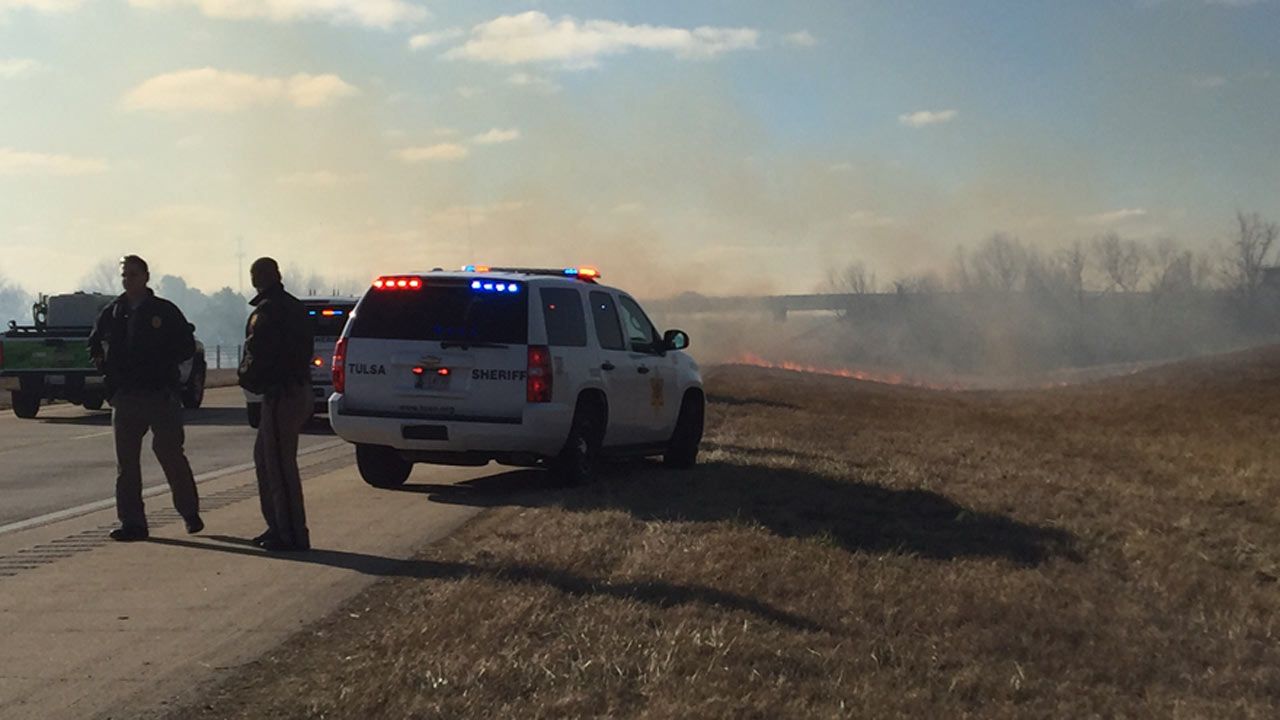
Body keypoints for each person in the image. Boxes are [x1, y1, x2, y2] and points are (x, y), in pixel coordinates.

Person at [88, 255, 203, 541]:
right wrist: (108, 377)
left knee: (170, 454)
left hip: (160, 395)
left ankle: (189, 512)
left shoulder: (163, 311)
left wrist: (165, 368)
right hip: (125, 397)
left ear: (146, 277)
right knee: (126, 465)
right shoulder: (113, 312)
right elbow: (94, 344)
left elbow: (186, 345)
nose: (128, 280)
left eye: (133, 274)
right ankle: (132, 523)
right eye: (125, 275)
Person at [239, 257, 314, 552]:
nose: (256, 277)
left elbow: (258, 353)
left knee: (279, 466)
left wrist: (248, 378)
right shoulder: (293, 307)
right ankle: (277, 526)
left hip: (283, 392)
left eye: (259, 273)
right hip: (293, 390)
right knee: (265, 459)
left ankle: (291, 534)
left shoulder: (269, 312)